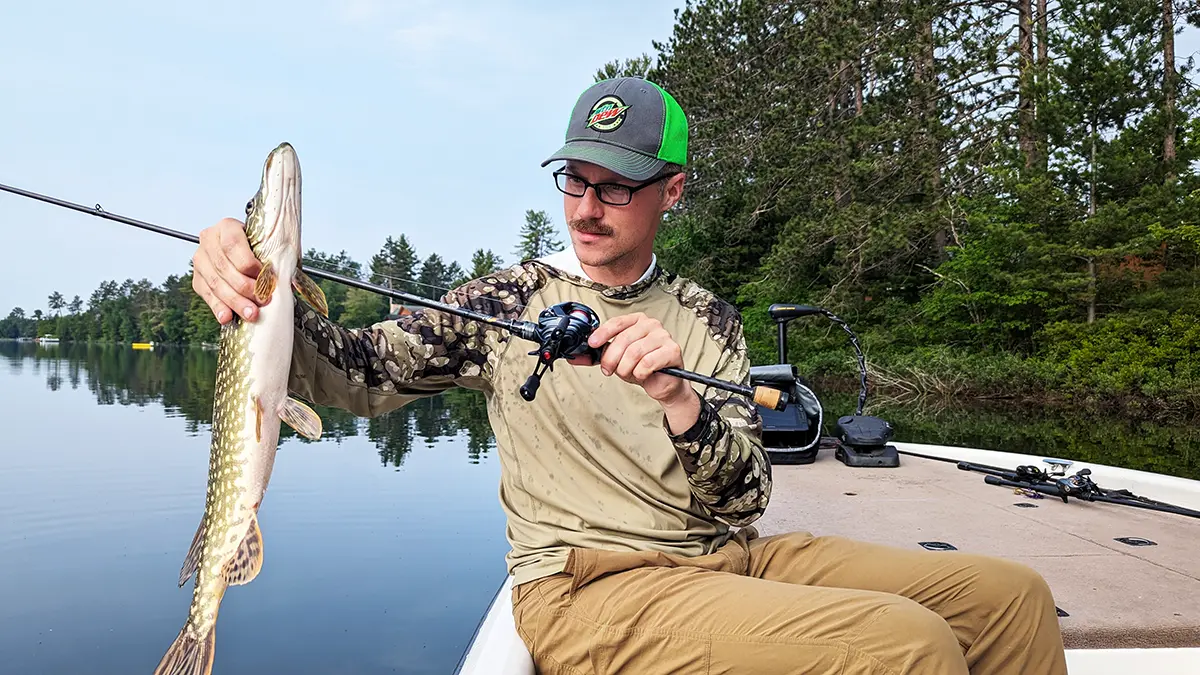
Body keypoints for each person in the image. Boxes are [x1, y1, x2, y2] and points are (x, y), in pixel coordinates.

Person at [190, 76, 1068, 674]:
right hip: (587, 588)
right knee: (904, 645)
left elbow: (746, 499)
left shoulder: (709, 316)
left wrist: (680, 399)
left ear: (671, 192)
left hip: (731, 559)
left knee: (1010, 598)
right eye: (576, 179)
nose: (585, 207)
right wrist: (249, 288)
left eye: (616, 187)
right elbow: (356, 375)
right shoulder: (510, 298)